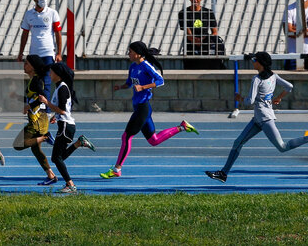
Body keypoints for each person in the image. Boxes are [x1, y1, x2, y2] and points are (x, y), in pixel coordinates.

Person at [204, 51, 308, 182]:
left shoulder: (257, 79)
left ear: (261, 63)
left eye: (254, 60)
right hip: (258, 119)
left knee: (282, 147)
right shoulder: (274, 76)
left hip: (265, 119)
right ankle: (223, 173)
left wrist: (239, 98)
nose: (253, 62)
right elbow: (289, 86)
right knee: (238, 142)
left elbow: (249, 101)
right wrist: (278, 98)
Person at [100, 41, 200, 179]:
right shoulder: (133, 67)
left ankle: (117, 169)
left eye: (130, 51)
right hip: (139, 107)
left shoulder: (146, 66)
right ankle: (182, 127)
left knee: (126, 136)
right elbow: (130, 83)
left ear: (138, 54)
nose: (128, 53)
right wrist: (120, 87)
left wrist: (143, 87)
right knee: (154, 140)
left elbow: (160, 81)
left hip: (143, 107)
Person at [38, 61, 96, 193]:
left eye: (52, 72)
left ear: (58, 74)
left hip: (66, 126)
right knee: (58, 158)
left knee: (56, 158)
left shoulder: (62, 88)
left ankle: (70, 184)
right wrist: (55, 116)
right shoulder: (60, 87)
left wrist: (47, 103)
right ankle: (79, 143)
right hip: (65, 125)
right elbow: (62, 110)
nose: (50, 74)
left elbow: (63, 110)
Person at [14, 54, 56, 184]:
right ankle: (51, 175)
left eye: (26, 63)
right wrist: (17, 97)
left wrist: (28, 106)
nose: (24, 66)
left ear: (33, 67)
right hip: (39, 119)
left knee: (18, 144)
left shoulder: (37, 81)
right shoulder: (33, 80)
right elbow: (33, 98)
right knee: (36, 149)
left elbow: (42, 97)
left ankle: (45, 137)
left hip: (37, 121)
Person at [17, 0, 62, 92]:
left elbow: (58, 33)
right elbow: (25, 34)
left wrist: (59, 53)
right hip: (34, 54)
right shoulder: (29, 14)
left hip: (48, 53)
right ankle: (35, 106)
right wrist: (21, 53)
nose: (44, 0)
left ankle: (46, 108)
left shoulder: (52, 13)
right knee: (34, 81)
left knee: (46, 81)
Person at [177, 0, 224, 70]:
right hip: (191, 44)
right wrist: (195, 41)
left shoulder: (208, 12)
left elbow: (214, 32)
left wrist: (205, 41)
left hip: (206, 43)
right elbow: (188, 33)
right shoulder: (183, 13)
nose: (195, 0)